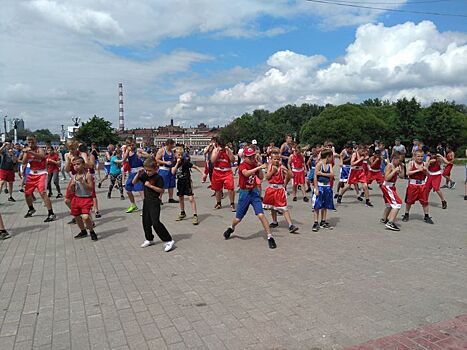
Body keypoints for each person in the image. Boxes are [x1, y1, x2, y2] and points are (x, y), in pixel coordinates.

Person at [223, 147, 276, 249]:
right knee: (238, 218)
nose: (252, 158)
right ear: (245, 157)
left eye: (253, 156)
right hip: (244, 194)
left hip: (254, 192)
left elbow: (260, 177)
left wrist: (260, 168)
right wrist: (257, 168)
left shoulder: (255, 163)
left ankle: (270, 237)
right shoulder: (243, 165)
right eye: (249, 156)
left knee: (261, 215)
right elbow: (246, 173)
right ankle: (231, 228)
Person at [133, 158, 175, 251]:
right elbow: (134, 182)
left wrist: (150, 186)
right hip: (146, 201)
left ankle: (168, 240)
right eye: (146, 170)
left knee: (155, 222)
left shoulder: (158, 177)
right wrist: (138, 174)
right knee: (145, 222)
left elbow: (161, 190)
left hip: (155, 202)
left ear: (155, 169)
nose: (147, 172)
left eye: (149, 170)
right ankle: (149, 239)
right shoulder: (145, 175)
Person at [22, 135, 56, 222]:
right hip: (31, 174)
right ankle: (31, 209)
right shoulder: (27, 150)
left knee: (42, 192)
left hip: (41, 173)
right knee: (27, 193)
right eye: (29, 142)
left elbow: (41, 156)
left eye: (32, 141)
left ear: (35, 141)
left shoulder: (39, 149)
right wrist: (25, 153)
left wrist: (31, 152)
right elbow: (24, 162)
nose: (30, 143)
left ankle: (51, 213)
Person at [263, 153, 298, 233]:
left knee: (284, 208)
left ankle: (290, 225)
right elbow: (267, 177)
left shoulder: (282, 168)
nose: (276, 161)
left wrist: (286, 169)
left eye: (278, 159)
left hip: (279, 189)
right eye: (274, 159)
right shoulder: (270, 166)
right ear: (271, 160)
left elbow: (292, 175)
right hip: (271, 188)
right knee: (272, 207)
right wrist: (272, 171)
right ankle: (275, 221)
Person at [171, 147, 203, 225]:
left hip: (187, 181)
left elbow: (194, 166)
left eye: (181, 155)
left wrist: (202, 173)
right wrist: (177, 163)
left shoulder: (185, 162)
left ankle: (195, 215)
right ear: (175, 155)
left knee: (191, 198)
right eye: (178, 155)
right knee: (180, 197)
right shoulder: (174, 162)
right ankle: (182, 212)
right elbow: (173, 172)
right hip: (180, 182)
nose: (180, 156)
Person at [69, 157, 98, 241]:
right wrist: (72, 186)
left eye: (78, 164)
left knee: (85, 217)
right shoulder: (74, 176)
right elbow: (72, 191)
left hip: (86, 199)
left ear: (84, 165)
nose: (76, 166)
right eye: (74, 165)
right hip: (76, 198)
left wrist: (83, 182)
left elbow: (91, 189)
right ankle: (83, 231)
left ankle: (92, 231)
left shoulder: (87, 175)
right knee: (77, 216)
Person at [402, 150, 433, 224]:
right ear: (415, 156)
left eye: (421, 156)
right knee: (409, 201)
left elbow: (428, 175)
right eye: (418, 156)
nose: (420, 158)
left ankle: (426, 216)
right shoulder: (411, 163)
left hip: (422, 185)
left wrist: (425, 171)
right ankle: (406, 214)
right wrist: (418, 170)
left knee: (425, 201)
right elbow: (407, 173)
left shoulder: (425, 163)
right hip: (413, 185)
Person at [311, 149, 335, 232]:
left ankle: (323, 221)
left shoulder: (329, 165)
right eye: (331, 156)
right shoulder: (319, 164)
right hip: (320, 186)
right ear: (328, 156)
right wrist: (316, 188)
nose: (332, 158)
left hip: (327, 186)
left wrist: (322, 173)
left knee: (325, 205)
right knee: (317, 205)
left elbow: (332, 175)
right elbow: (315, 177)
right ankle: (315, 222)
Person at [380, 153, 405, 231]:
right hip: (388, 186)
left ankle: (384, 218)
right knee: (397, 203)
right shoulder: (389, 166)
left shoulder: (397, 166)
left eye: (401, 161)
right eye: (399, 160)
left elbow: (402, 176)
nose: (400, 162)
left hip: (391, 186)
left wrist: (402, 167)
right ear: (394, 159)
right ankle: (390, 223)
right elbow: (386, 178)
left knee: (389, 204)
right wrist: (394, 171)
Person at [122, 138, 147, 213]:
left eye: (132, 145)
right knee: (127, 188)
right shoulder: (127, 151)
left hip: (140, 172)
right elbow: (124, 159)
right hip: (132, 172)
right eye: (129, 145)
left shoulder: (138, 150)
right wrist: (127, 151)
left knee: (141, 190)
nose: (131, 146)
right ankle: (133, 205)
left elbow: (149, 156)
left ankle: (146, 208)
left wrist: (142, 155)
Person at [210, 139, 236, 211]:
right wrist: (217, 152)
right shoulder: (215, 150)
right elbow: (212, 160)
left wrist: (229, 153)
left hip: (227, 172)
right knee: (217, 189)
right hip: (217, 171)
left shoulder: (228, 150)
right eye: (220, 145)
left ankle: (232, 204)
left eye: (223, 146)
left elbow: (233, 160)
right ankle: (218, 203)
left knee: (230, 188)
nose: (222, 147)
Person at [155, 139, 179, 203]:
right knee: (162, 185)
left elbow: (174, 158)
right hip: (163, 170)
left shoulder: (172, 151)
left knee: (171, 184)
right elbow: (156, 159)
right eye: (172, 145)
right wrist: (165, 162)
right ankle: (159, 198)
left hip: (170, 170)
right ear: (169, 144)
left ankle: (170, 198)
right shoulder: (162, 150)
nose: (173, 146)